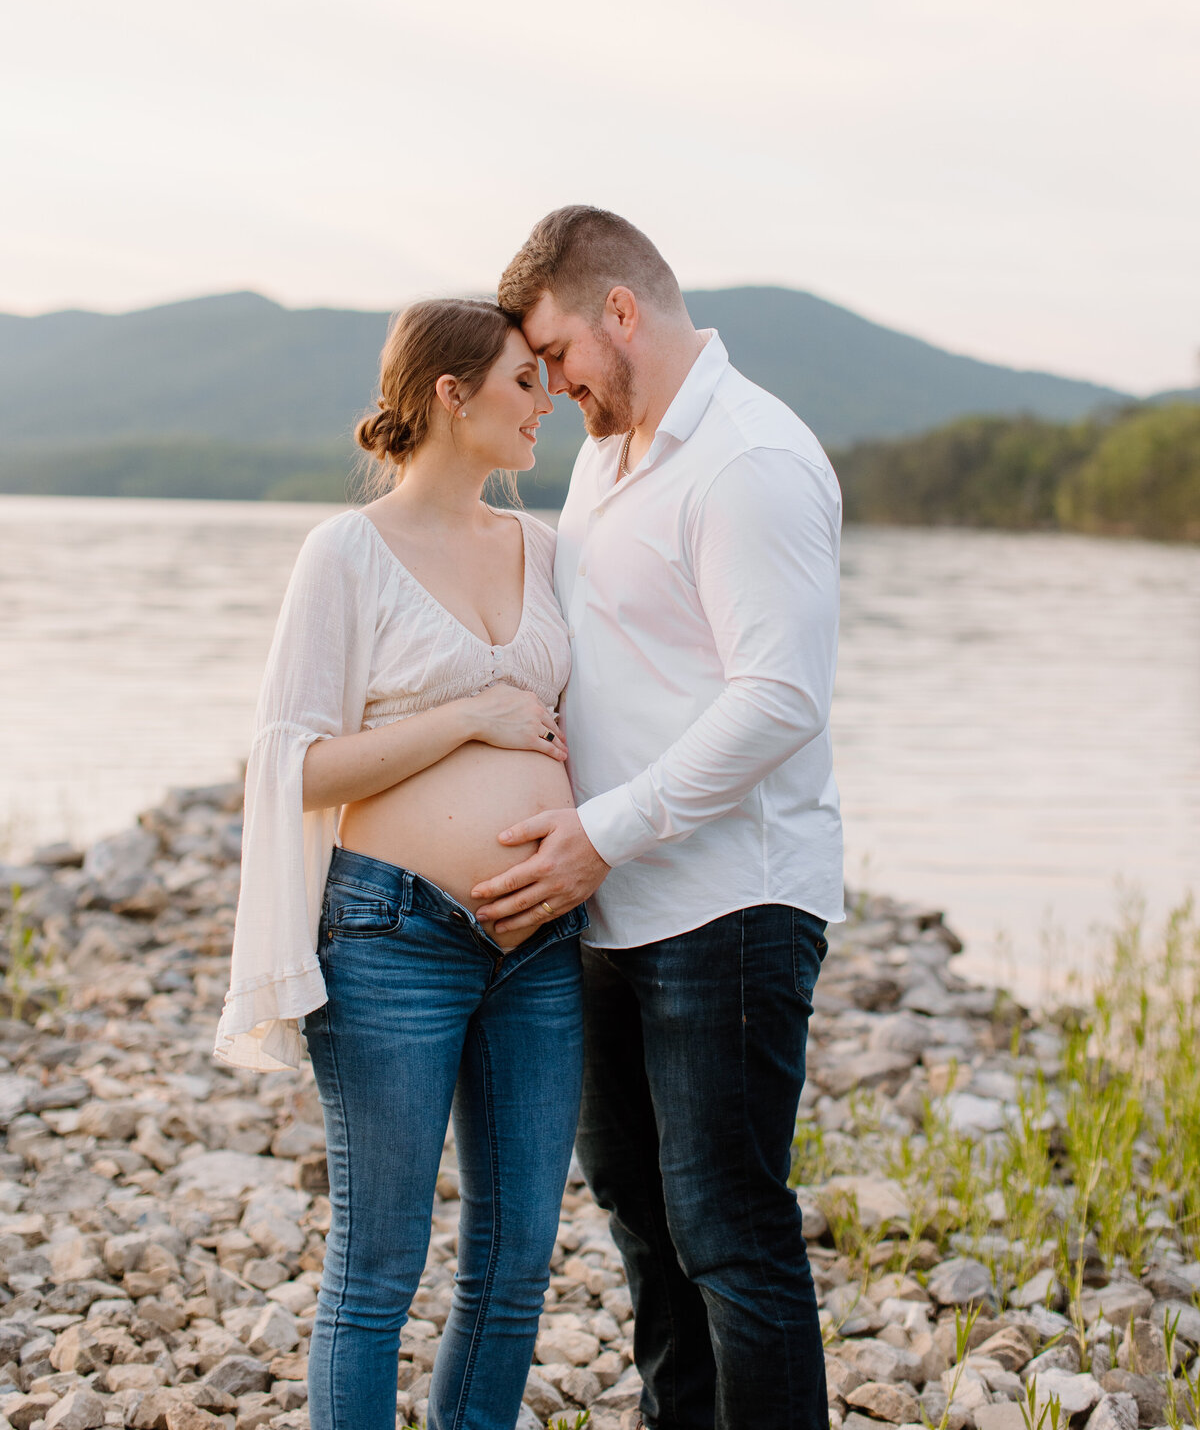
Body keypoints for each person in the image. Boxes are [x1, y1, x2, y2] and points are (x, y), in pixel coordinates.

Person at [474, 205, 845, 1430]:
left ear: (620, 312)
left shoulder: (750, 460)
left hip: (728, 905)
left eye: (558, 355)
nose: (553, 386)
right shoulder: (603, 456)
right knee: (641, 1220)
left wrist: (602, 832)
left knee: (731, 1236)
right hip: (612, 908)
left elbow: (778, 699)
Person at [215, 298, 585, 1430]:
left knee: (516, 1262)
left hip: (542, 940)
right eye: (525, 380)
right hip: (392, 938)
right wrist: (472, 717)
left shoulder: (551, 547)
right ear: (450, 394)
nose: (547, 401)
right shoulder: (346, 553)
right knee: (377, 1271)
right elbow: (296, 770)